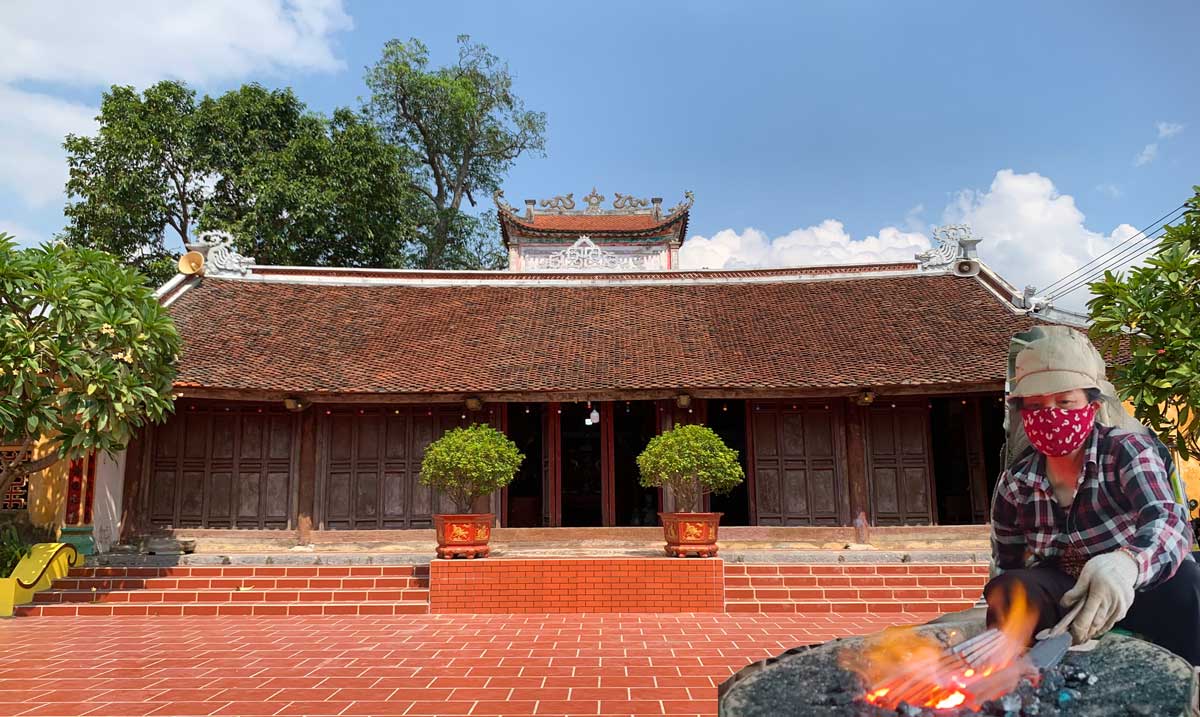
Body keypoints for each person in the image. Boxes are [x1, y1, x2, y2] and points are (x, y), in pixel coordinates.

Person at [984, 326, 1200, 665]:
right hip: (1067, 594)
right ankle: (1014, 683)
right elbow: (1007, 561)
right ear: (1023, 413)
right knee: (1011, 590)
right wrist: (1004, 606)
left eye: (1065, 401)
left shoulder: (1127, 451)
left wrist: (1127, 564)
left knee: (1189, 582)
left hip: (1135, 586)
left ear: (1092, 405)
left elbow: (1169, 520)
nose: (1051, 415)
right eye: (1037, 405)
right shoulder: (1017, 483)